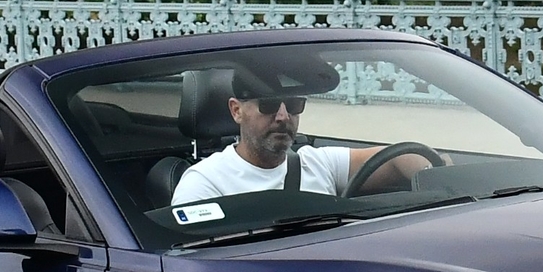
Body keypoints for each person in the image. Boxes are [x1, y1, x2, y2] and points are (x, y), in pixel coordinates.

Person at [170, 70, 434, 205]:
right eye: (269, 105)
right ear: (236, 111)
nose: (284, 116)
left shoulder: (320, 163)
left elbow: (402, 157)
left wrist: (442, 178)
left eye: (294, 104)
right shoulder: (204, 184)